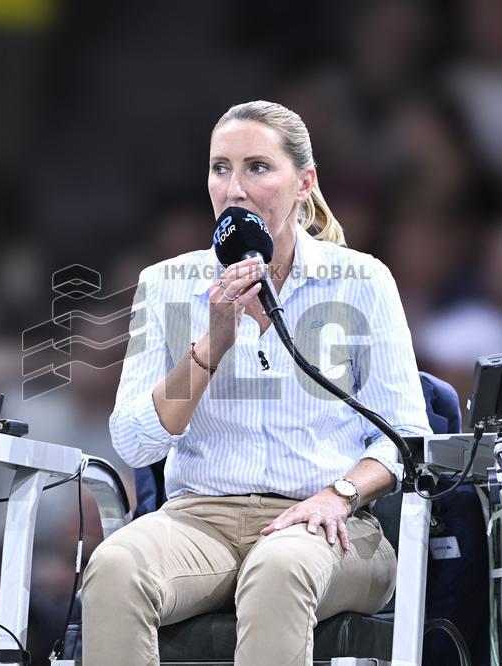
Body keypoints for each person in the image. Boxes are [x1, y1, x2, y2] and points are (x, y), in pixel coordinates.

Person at [81, 100, 432, 665]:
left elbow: (407, 436)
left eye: (257, 167)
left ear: (304, 183)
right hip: (199, 520)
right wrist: (211, 345)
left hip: (330, 525)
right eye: (221, 168)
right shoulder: (167, 285)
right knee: (115, 567)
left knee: (279, 569)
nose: (235, 188)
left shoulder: (362, 280)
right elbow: (136, 442)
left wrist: (340, 495)